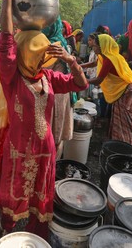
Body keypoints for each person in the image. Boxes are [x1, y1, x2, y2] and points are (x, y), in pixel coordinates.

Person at [0, 0, 88, 239]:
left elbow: (79, 85)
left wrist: (71, 61)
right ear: (25, 54)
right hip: (18, 151)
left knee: (40, 197)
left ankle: (36, 236)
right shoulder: (12, 77)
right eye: (39, 54)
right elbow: (7, 41)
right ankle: (7, 235)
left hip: (45, 149)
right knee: (13, 197)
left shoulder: (47, 78)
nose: (44, 60)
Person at [88, 34, 132, 145]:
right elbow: (94, 63)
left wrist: (82, 81)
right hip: (125, 90)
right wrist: (79, 66)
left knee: (125, 123)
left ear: (103, 46)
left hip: (128, 92)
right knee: (120, 121)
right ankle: (118, 145)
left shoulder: (109, 59)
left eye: (95, 46)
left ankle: (125, 147)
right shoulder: (105, 57)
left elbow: (98, 80)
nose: (93, 49)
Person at [42, 16, 74, 159]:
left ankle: (51, 168)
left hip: (55, 93)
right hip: (62, 92)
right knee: (57, 133)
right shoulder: (61, 40)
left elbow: (42, 69)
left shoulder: (53, 45)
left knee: (53, 134)